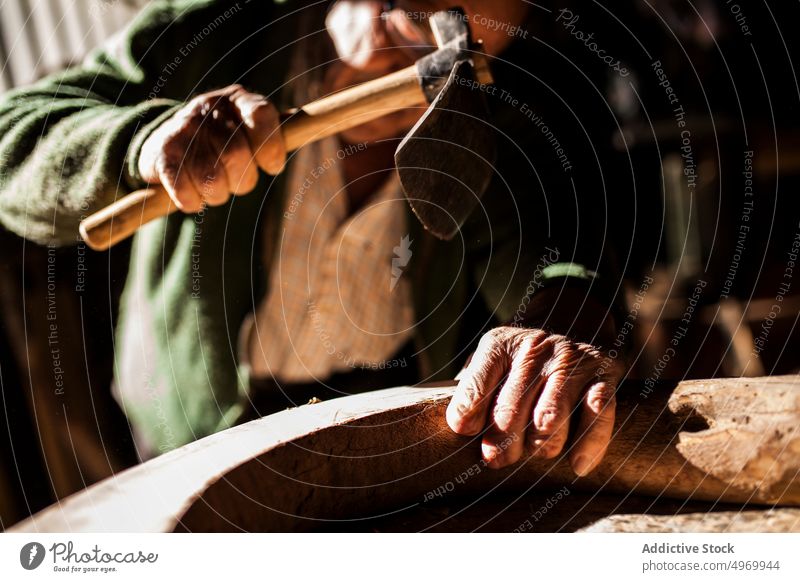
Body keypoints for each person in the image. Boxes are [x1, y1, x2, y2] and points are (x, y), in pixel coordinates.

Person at [0, 0, 624, 475]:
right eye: (402, 13)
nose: (422, 59)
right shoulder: (216, 32)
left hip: (390, 412)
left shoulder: (490, 111)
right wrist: (141, 143)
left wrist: (562, 321)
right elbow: (11, 137)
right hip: (196, 425)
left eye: (468, 36)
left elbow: (550, 261)